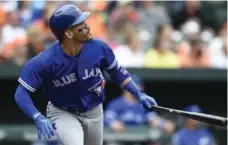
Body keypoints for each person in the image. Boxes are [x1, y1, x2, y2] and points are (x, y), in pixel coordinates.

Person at [14, 4, 157, 145]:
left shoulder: (99, 47)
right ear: (69, 33)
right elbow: (21, 92)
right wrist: (37, 116)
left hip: (94, 110)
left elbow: (117, 72)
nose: (87, 27)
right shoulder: (45, 61)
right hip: (63, 112)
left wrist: (138, 94)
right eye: (80, 26)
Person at [104, 75, 175, 145]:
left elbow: (153, 119)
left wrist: (164, 124)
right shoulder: (116, 104)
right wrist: (112, 123)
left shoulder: (143, 105)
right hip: (119, 140)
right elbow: (106, 118)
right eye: (134, 86)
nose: (137, 89)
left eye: (139, 86)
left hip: (139, 140)